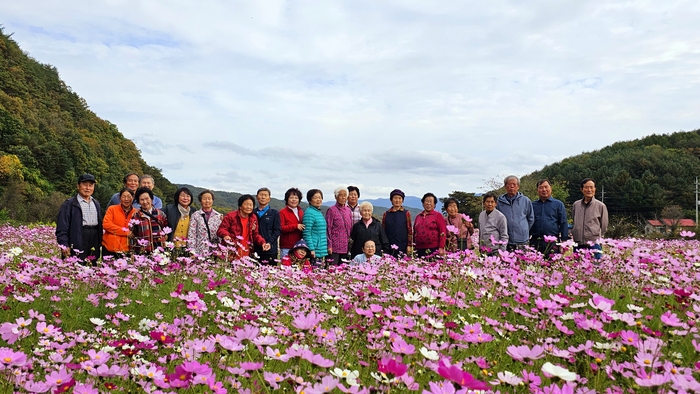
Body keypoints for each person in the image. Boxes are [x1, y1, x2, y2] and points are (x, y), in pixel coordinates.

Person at [56, 174, 102, 262]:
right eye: (85, 185)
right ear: (78, 186)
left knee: (92, 265)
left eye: (91, 185)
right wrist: (64, 244)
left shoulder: (96, 203)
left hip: (94, 239)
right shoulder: (69, 204)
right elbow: (62, 227)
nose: (88, 188)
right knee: (76, 266)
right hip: (77, 238)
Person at [217, 194, 271, 260]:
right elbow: (221, 229)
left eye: (251, 205)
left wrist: (263, 242)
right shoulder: (231, 216)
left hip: (246, 252)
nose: (249, 207)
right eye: (246, 204)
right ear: (240, 206)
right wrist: (226, 235)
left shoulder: (253, 218)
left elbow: (255, 234)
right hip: (231, 251)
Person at [530, 179, 569, 256]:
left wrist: (564, 241)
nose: (544, 190)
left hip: (552, 241)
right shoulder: (532, 205)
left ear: (550, 188)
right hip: (536, 241)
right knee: (534, 266)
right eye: (541, 187)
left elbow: (563, 222)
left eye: (546, 187)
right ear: (537, 190)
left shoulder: (558, 204)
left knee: (552, 265)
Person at [572, 178, 608, 257]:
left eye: (591, 187)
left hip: (594, 244)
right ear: (581, 189)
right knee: (578, 268)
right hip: (578, 243)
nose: (589, 190)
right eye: (586, 187)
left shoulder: (601, 206)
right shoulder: (576, 205)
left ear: (595, 189)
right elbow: (574, 222)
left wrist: (596, 237)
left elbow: (604, 226)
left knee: (596, 267)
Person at [496, 175, 534, 251]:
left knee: (522, 262)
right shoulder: (499, 202)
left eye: (514, 184)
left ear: (518, 187)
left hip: (522, 240)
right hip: (506, 240)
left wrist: (524, 229)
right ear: (505, 187)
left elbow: (531, 219)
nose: (512, 187)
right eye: (509, 184)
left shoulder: (526, 200)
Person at [130, 187, 168, 254]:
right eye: (142, 200)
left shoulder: (160, 214)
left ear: (151, 199)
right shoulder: (135, 216)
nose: (145, 202)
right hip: (142, 252)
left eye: (147, 199)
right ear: (138, 201)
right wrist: (132, 252)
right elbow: (133, 235)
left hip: (159, 251)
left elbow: (166, 230)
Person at [102, 188, 136, 257]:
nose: (126, 199)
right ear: (119, 198)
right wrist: (126, 232)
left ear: (133, 198)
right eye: (123, 196)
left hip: (127, 249)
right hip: (109, 248)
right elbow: (106, 224)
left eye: (129, 196)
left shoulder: (136, 212)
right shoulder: (112, 209)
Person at [187, 190, 223, 256]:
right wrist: (192, 251)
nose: (207, 201)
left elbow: (220, 235)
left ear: (212, 200)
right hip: (199, 251)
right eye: (204, 199)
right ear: (200, 201)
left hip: (214, 251)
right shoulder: (195, 215)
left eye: (209, 199)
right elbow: (191, 235)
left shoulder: (218, 216)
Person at [413, 192, 447, 258]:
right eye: (426, 201)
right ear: (423, 203)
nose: (428, 203)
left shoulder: (437, 215)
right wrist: (414, 246)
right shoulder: (418, 216)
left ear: (434, 204)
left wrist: (441, 247)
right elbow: (415, 232)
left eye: (431, 201)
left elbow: (443, 232)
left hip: (434, 248)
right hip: (419, 248)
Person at [325, 186, 353, 266]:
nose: (343, 197)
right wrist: (329, 245)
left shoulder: (348, 210)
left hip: (345, 246)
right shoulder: (331, 210)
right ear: (336, 197)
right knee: (333, 269)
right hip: (334, 247)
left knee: (343, 270)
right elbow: (328, 229)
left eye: (345, 195)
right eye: (341, 195)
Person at [253, 187, 281, 265]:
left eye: (265, 195)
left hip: (270, 249)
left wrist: (269, 242)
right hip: (255, 248)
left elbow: (277, 230)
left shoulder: (274, 213)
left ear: (269, 198)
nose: (263, 197)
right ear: (257, 197)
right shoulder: (252, 213)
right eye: (261, 195)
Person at [381, 189, 413, 257]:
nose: (397, 200)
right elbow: (383, 230)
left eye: (399, 198)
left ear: (402, 200)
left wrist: (409, 245)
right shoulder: (386, 214)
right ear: (391, 200)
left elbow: (410, 230)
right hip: (389, 245)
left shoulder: (406, 213)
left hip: (403, 245)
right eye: (395, 198)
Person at [302, 189, 328, 263]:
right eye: (315, 198)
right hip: (314, 249)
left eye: (320, 197)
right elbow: (306, 233)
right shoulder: (309, 213)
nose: (318, 200)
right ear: (309, 200)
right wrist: (311, 249)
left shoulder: (317, 212)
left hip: (320, 248)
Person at [279, 187, 305, 258]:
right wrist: (295, 226)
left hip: (299, 246)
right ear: (287, 199)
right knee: (286, 267)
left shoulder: (300, 211)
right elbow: (281, 228)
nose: (294, 200)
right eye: (291, 198)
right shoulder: (282, 212)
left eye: (296, 198)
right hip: (287, 246)